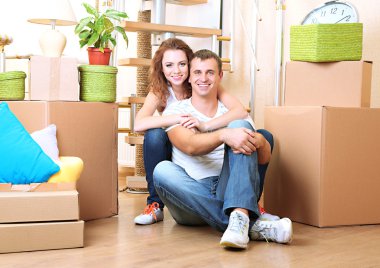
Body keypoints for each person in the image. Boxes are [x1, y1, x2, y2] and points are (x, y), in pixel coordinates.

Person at [153, 49, 293, 249]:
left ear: (219, 76)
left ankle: (239, 220)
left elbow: (263, 159)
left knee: (241, 128)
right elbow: (191, 146)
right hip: (190, 197)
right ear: (190, 78)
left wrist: (260, 141)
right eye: (198, 72)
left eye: (210, 72)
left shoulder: (234, 114)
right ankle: (251, 224)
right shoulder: (176, 110)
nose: (203, 78)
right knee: (162, 171)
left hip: (229, 189)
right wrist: (223, 135)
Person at [133, 38, 248, 225]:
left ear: (190, 64)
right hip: (175, 146)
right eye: (169, 65)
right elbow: (139, 124)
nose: (176, 71)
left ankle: (241, 207)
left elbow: (240, 110)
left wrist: (205, 125)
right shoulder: (160, 90)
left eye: (182, 64)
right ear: (161, 68)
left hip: (202, 148)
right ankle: (155, 204)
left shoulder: (201, 82)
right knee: (154, 135)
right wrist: (177, 118)